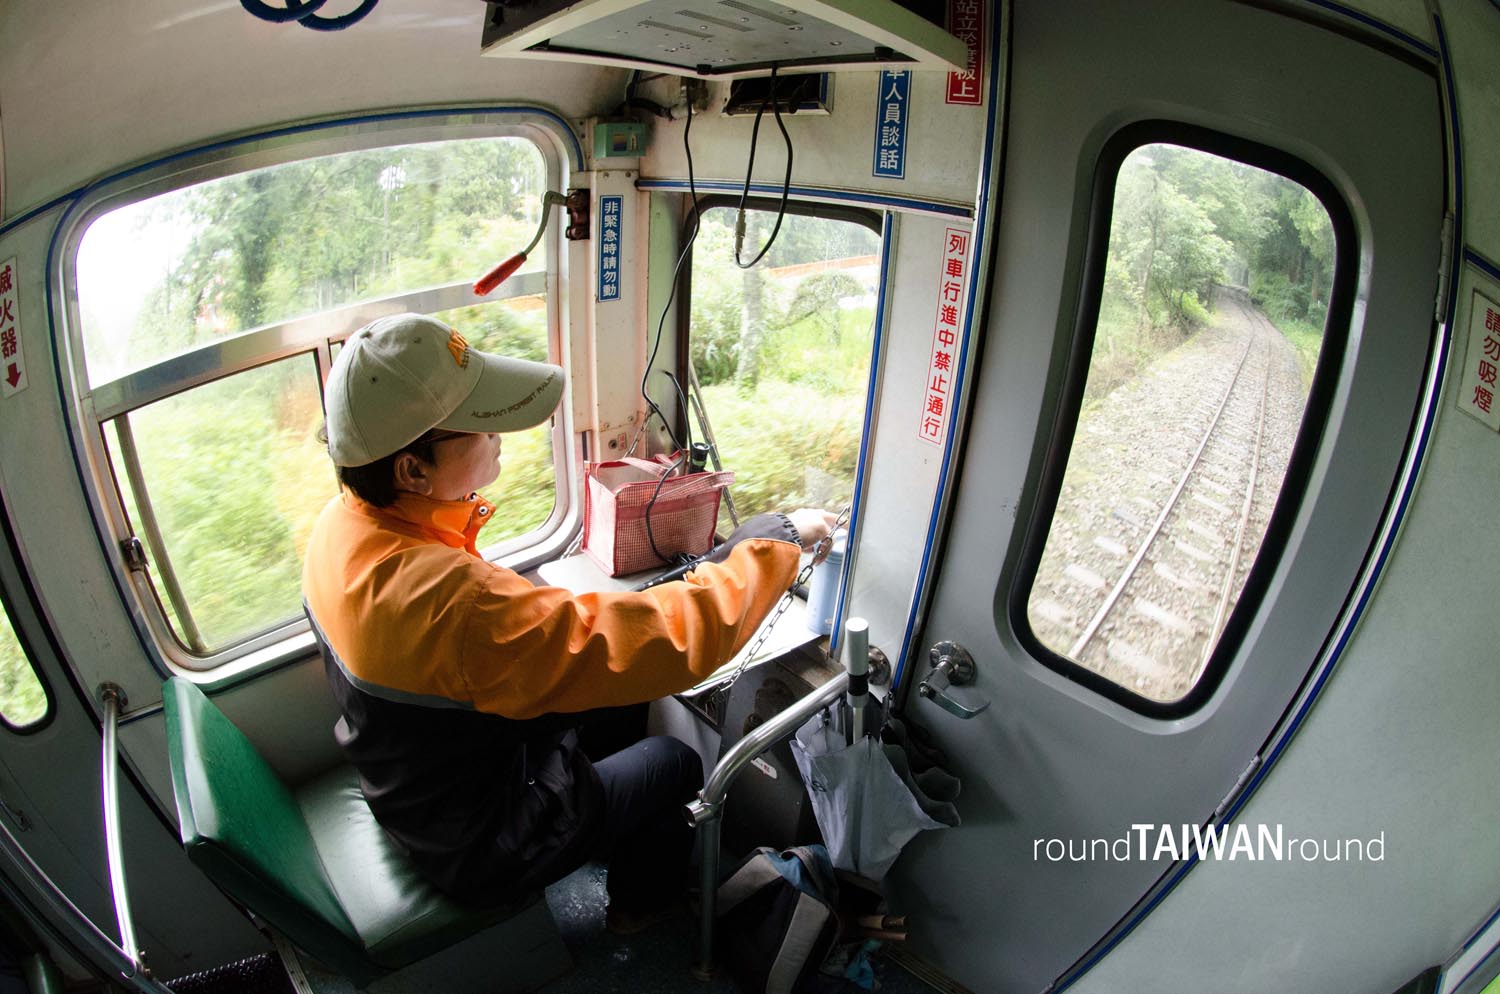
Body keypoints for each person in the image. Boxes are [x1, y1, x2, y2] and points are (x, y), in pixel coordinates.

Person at [302, 312, 835, 933]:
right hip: (480, 846)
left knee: (610, 706)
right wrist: (770, 543)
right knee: (674, 764)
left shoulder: (342, 530)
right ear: (412, 471)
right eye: (481, 423)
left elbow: (541, 641)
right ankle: (638, 911)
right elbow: (673, 643)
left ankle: (601, 825)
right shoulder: (455, 604)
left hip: (421, 786)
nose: (500, 432)